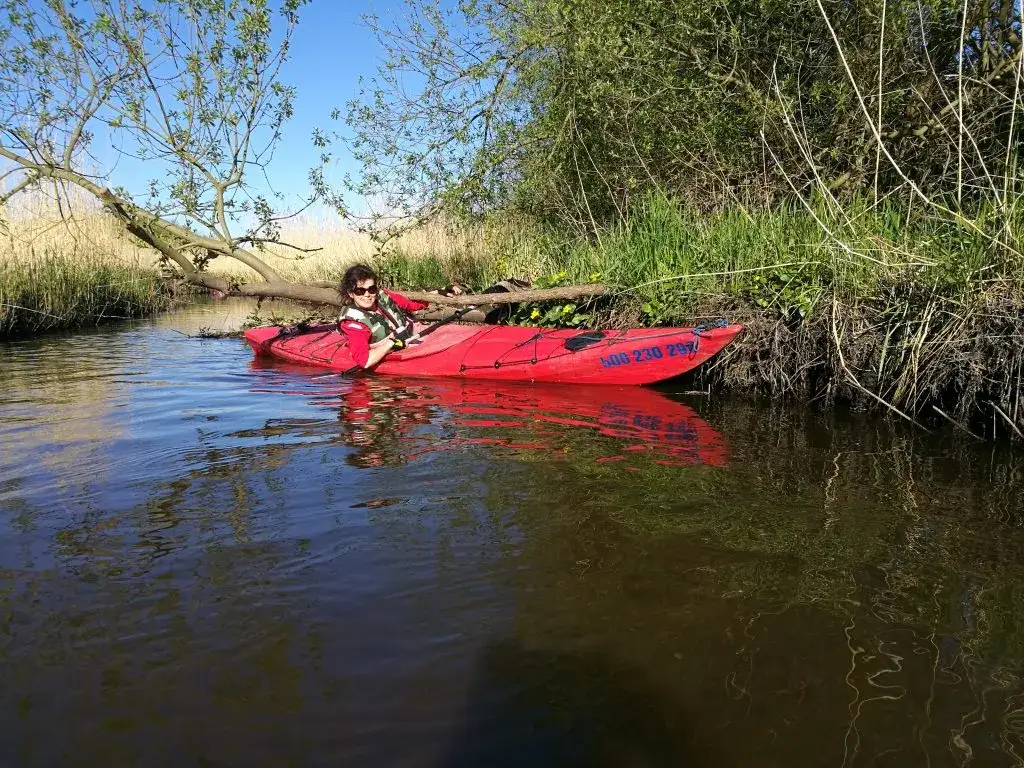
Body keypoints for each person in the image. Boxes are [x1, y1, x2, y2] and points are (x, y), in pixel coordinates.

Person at [337, 263, 430, 368]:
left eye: (371, 289)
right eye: (360, 291)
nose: (367, 295)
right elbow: (365, 361)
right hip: (394, 349)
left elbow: (411, 304)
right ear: (351, 293)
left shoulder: (383, 296)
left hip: (410, 336)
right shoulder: (352, 324)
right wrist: (390, 343)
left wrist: (432, 300)